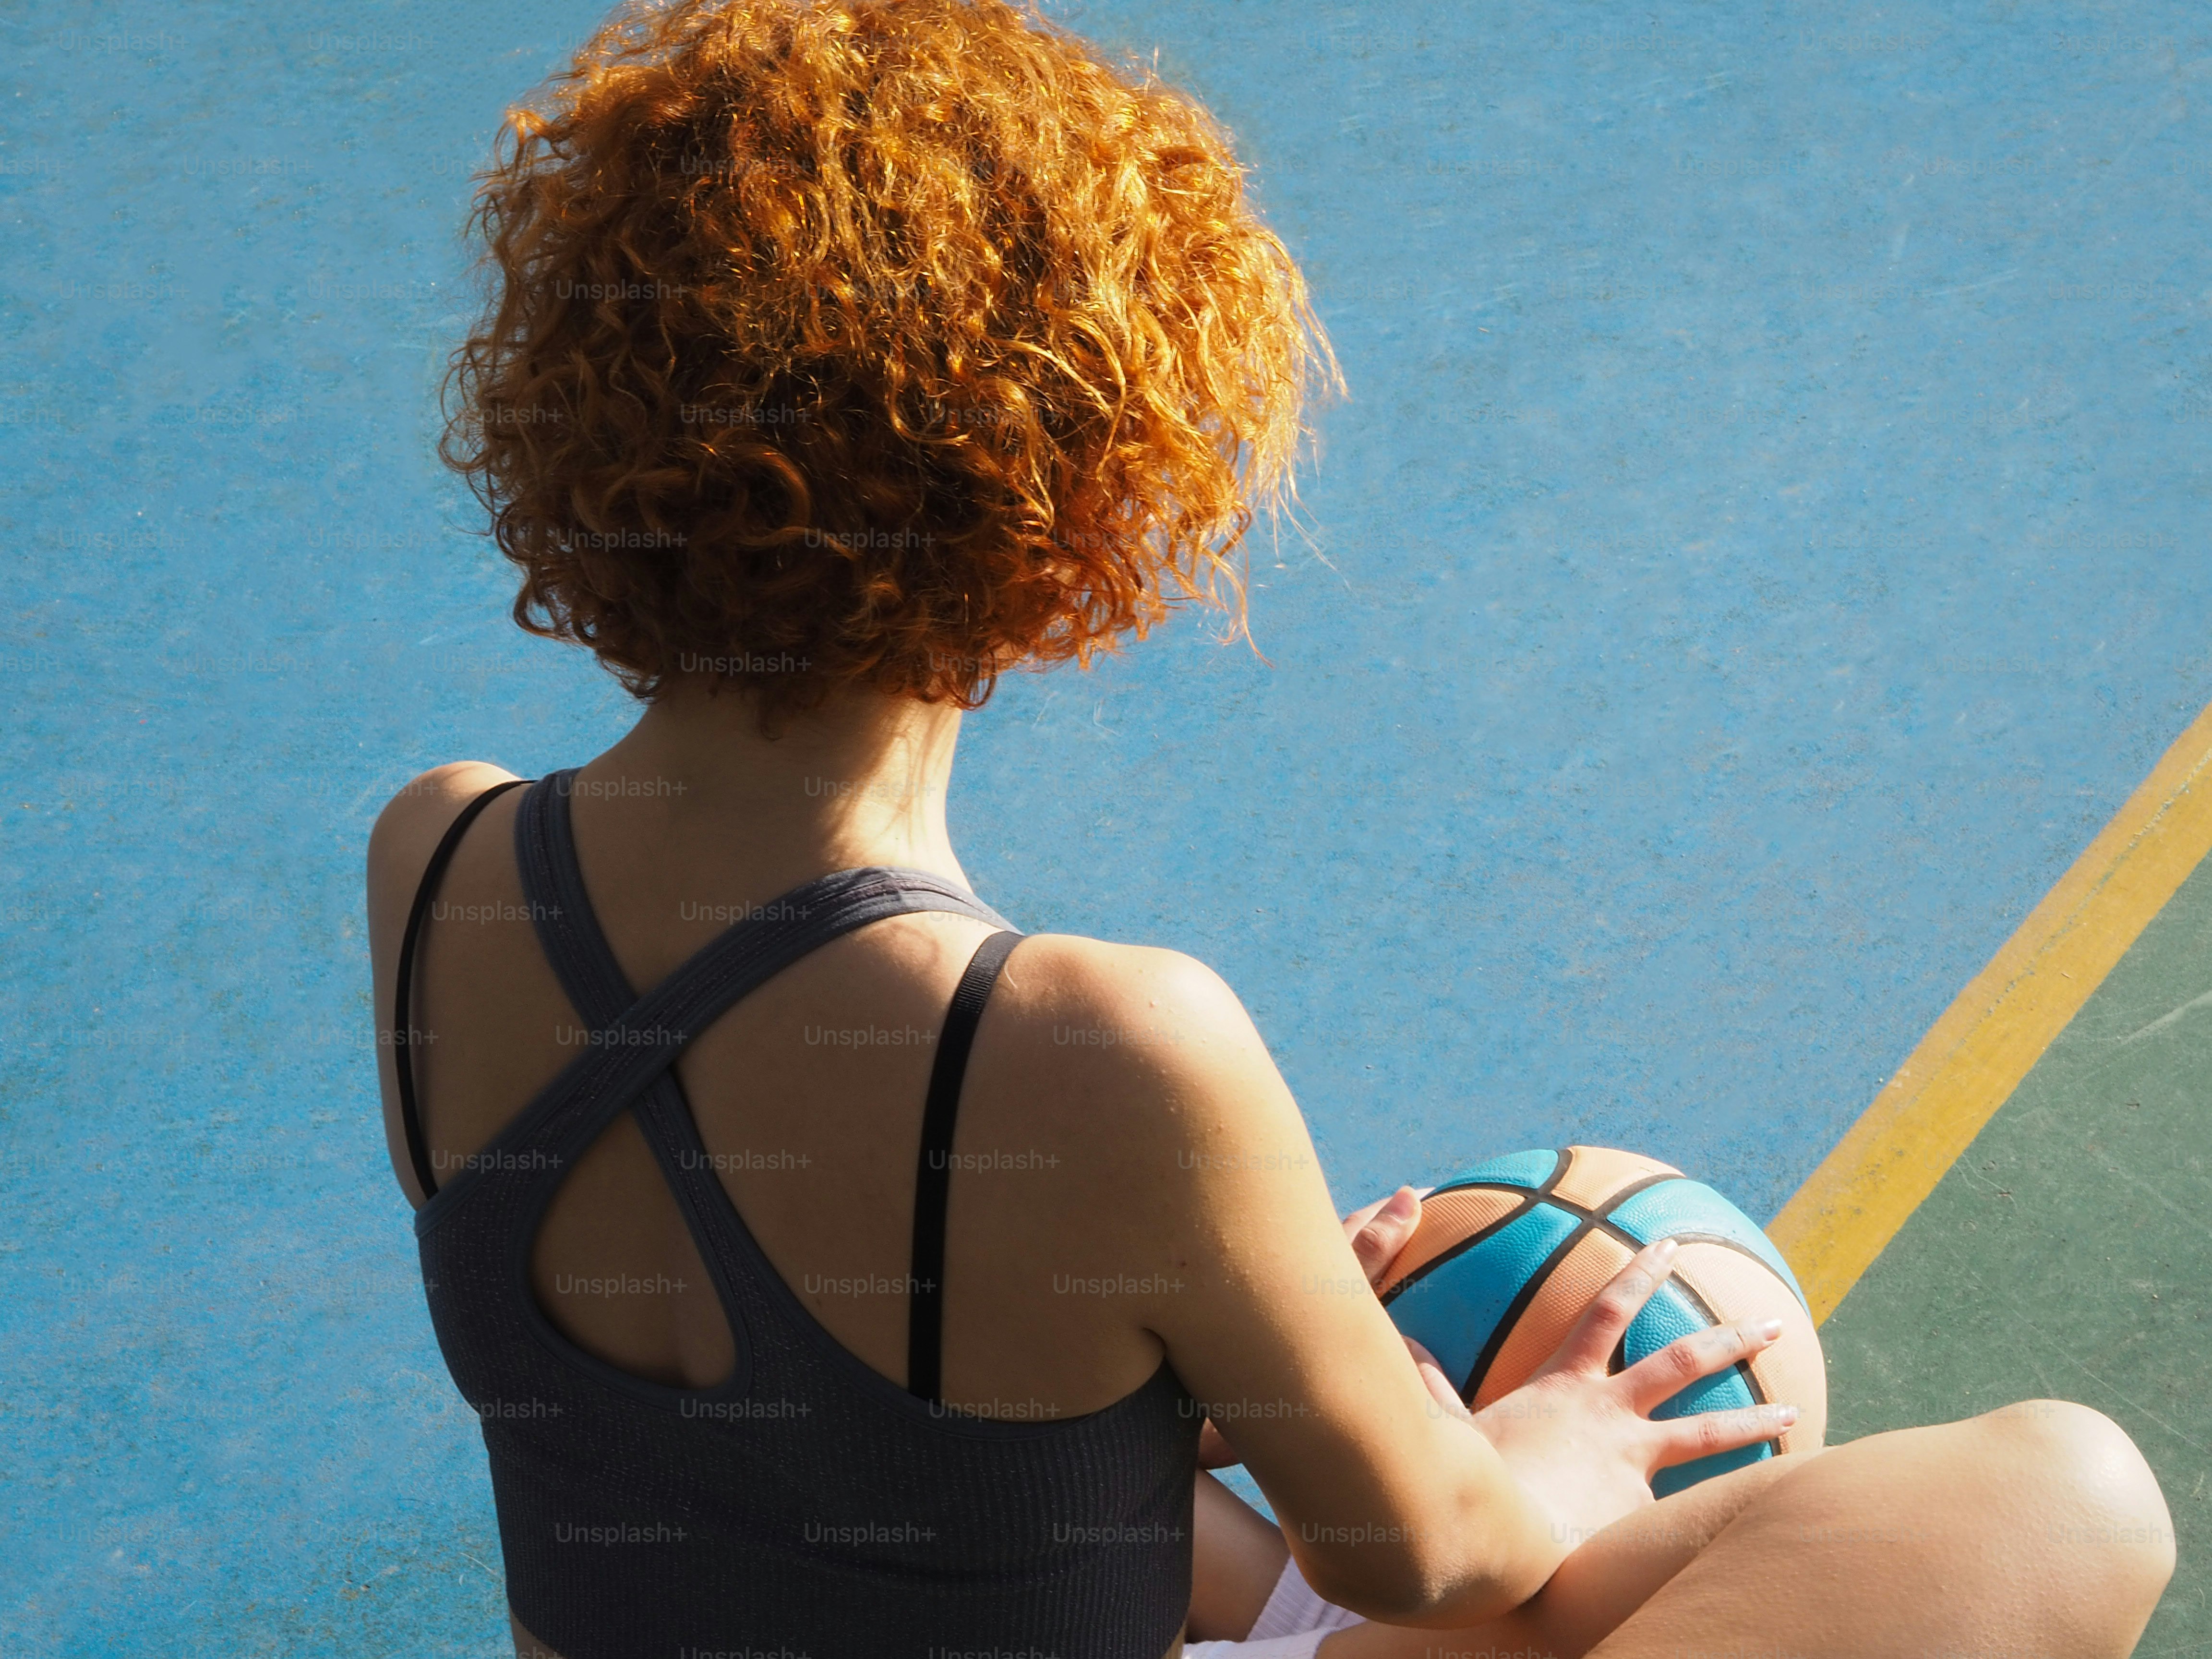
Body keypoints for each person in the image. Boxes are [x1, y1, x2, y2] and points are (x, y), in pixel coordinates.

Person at [365, 2, 2176, 1655]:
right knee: (2059, 1497)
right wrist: (1546, 1447)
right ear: (1083, 517)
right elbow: (1434, 1560)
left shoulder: (436, 865)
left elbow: (782, 1437)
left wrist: (1191, 1358)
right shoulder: (1085, 1052)